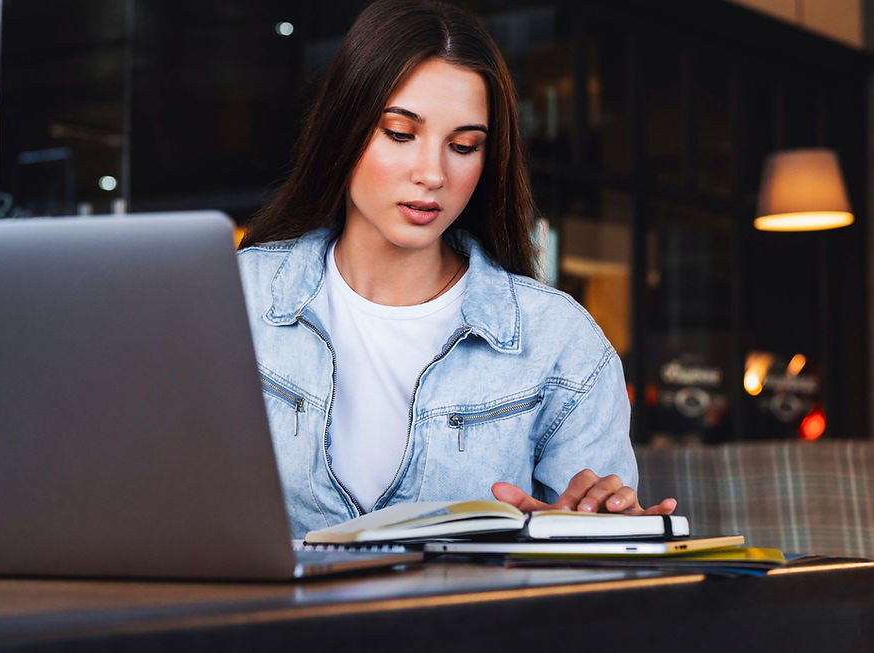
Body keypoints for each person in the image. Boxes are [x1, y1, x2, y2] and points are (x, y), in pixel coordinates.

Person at [238, 0, 675, 538]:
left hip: (465, 624)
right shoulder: (237, 299)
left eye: (464, 146)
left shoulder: (559, 343)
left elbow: (597, 583)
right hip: (267, 622)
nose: (433, 173)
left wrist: (605, 529)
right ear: (343, 132)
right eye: (400, 133)